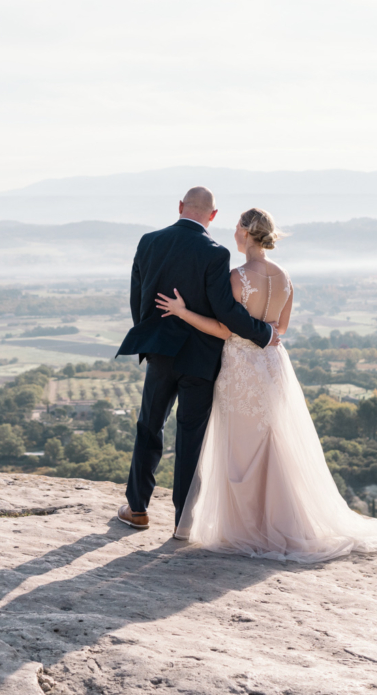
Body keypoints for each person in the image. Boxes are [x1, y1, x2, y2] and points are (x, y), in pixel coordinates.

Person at [153, 207, 377, 561]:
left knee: (241, 449)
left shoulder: (237, 277)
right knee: (273, 443)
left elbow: (225, 329)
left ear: (245, 232)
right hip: (273, 366)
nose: (233, 231)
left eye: (236, 226)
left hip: (242, 367)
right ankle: (282, 522)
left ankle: (247, 527)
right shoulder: (286, 278)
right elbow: (281, 331)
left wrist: (182, 311)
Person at [115, 186, 278, 532]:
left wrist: (151, 334)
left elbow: (137, 298)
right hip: (201, 359)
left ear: (180, 207)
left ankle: (138, 509)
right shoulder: (216, 254)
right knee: (191, 438)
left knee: (149, 427)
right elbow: (226, 312)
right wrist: (263, 334)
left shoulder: (149, 242)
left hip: (161, 351)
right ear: (213, 216)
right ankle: (183, 522)